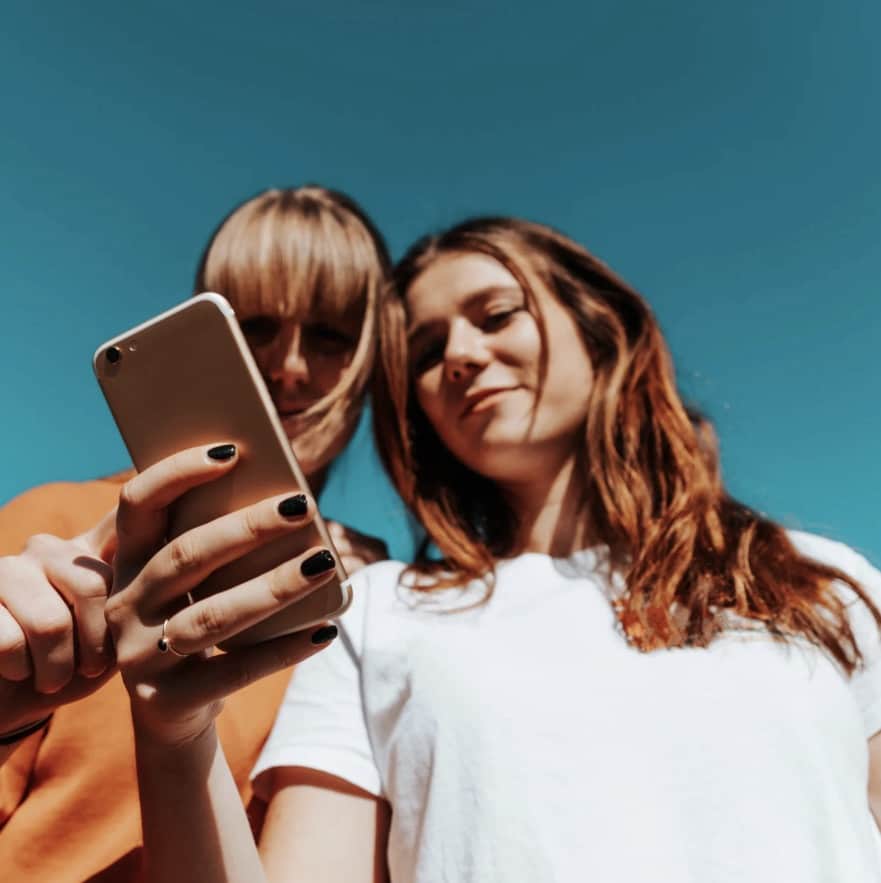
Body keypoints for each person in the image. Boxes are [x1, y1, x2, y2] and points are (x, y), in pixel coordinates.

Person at [110, 216, 881, 882]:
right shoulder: (375, 611)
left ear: (599, 326)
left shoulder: (826, 580)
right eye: (425, 349)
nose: (461, 354)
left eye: (496, 314)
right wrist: (175, 738)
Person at [0, 185, 393, 881]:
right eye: (256, 326)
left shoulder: (390, 597)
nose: (291, 365)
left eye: (329, 334)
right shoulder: (61, 524)